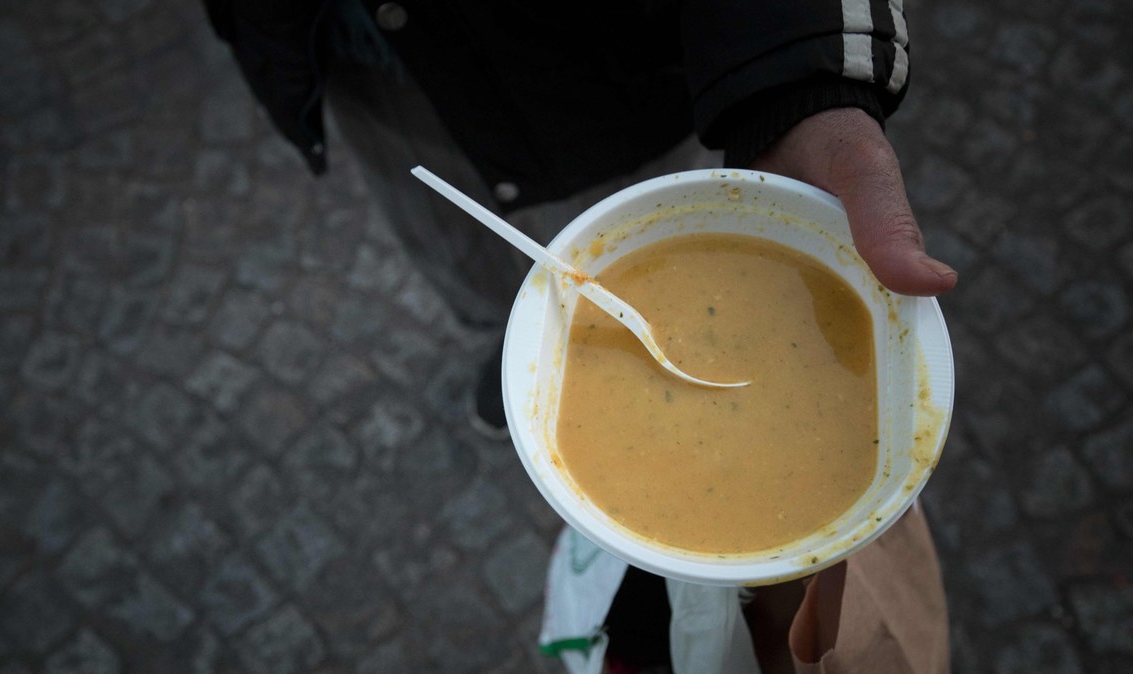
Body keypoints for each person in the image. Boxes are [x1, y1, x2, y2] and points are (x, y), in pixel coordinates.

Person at [202, 1, 957, 672]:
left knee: (628, 209)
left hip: (594, 72)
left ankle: (512, 345)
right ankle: (507, 345)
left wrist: (803, 84)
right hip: (352, 49)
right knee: (468, 263)